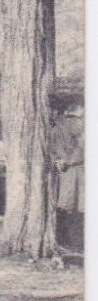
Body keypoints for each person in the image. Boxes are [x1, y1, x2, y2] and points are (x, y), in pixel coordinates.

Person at [51, 92, 84, 251]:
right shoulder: (80, 125)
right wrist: (69, 161)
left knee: (62, 204)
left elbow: (51, 147)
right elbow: (82, 148)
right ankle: (76, 243)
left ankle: (60, 240)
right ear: (80, 108)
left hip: (60, 170)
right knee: (77, 205)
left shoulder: (57, 126)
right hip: (77, 170)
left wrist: (58, 161)